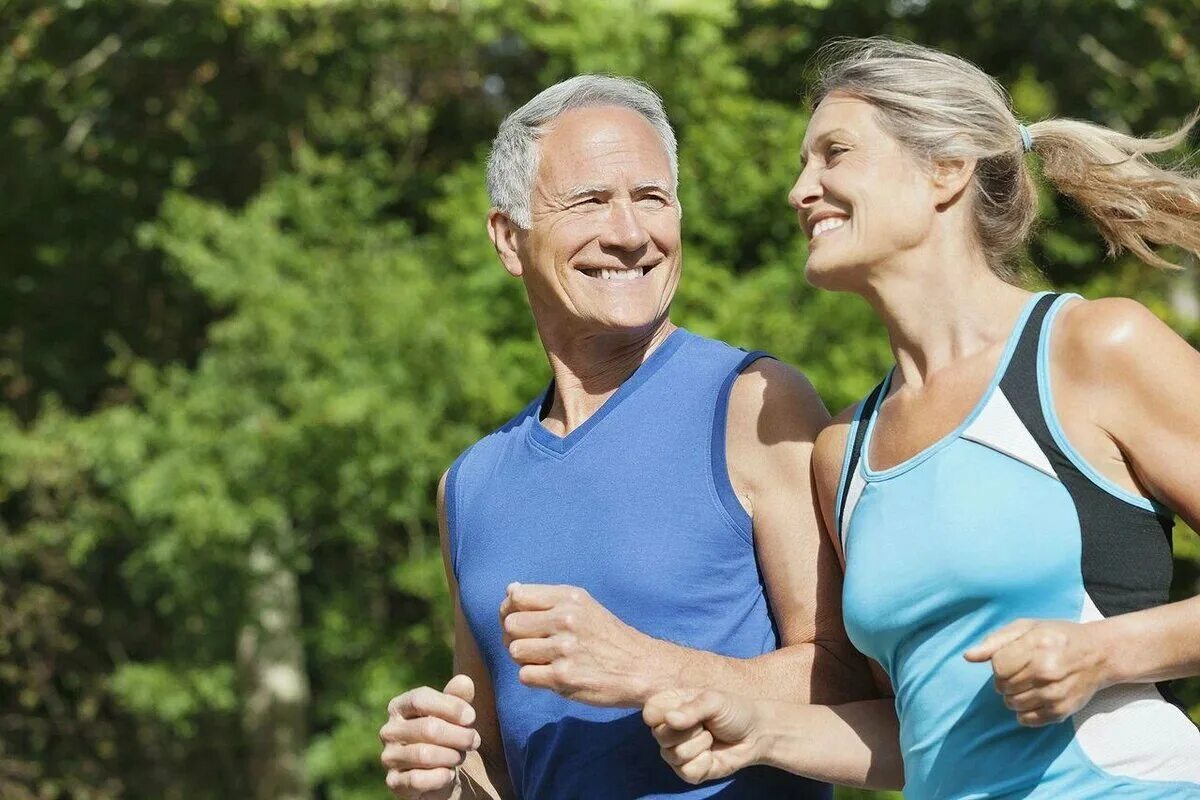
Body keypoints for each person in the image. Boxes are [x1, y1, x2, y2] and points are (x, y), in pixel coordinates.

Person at [645, 37, 1200, 798]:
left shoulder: (1093, 348)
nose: (800, 191)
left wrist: (1106, 652)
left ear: (947, 168)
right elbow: (921, 733)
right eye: (803, 165)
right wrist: (760, 730)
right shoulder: (842, 451)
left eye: (835, 154)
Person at [378, 75, 873, 799]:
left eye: (651, 198)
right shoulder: (470, 485)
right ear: (509, 239)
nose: (630, 233)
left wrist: (648, 667)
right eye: (589, 201)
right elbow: (504, 770)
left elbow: (852, 679)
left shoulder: (754, 404)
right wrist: (443, 779)